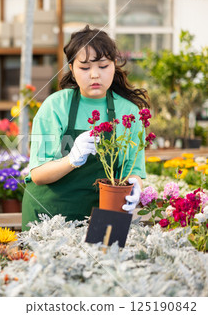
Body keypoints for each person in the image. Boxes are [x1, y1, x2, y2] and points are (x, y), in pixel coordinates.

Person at [22, 25, 150, 231]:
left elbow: (132, 170)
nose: (94, 75)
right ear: (71, 69)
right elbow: (38, 174)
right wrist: (72, 159)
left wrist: (136, 185)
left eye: (103, 66)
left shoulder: (129, 111)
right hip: (49, 213)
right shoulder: (56, 106)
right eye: (84, 68)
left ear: (114, 65)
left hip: (105, 214)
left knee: (104, 263)